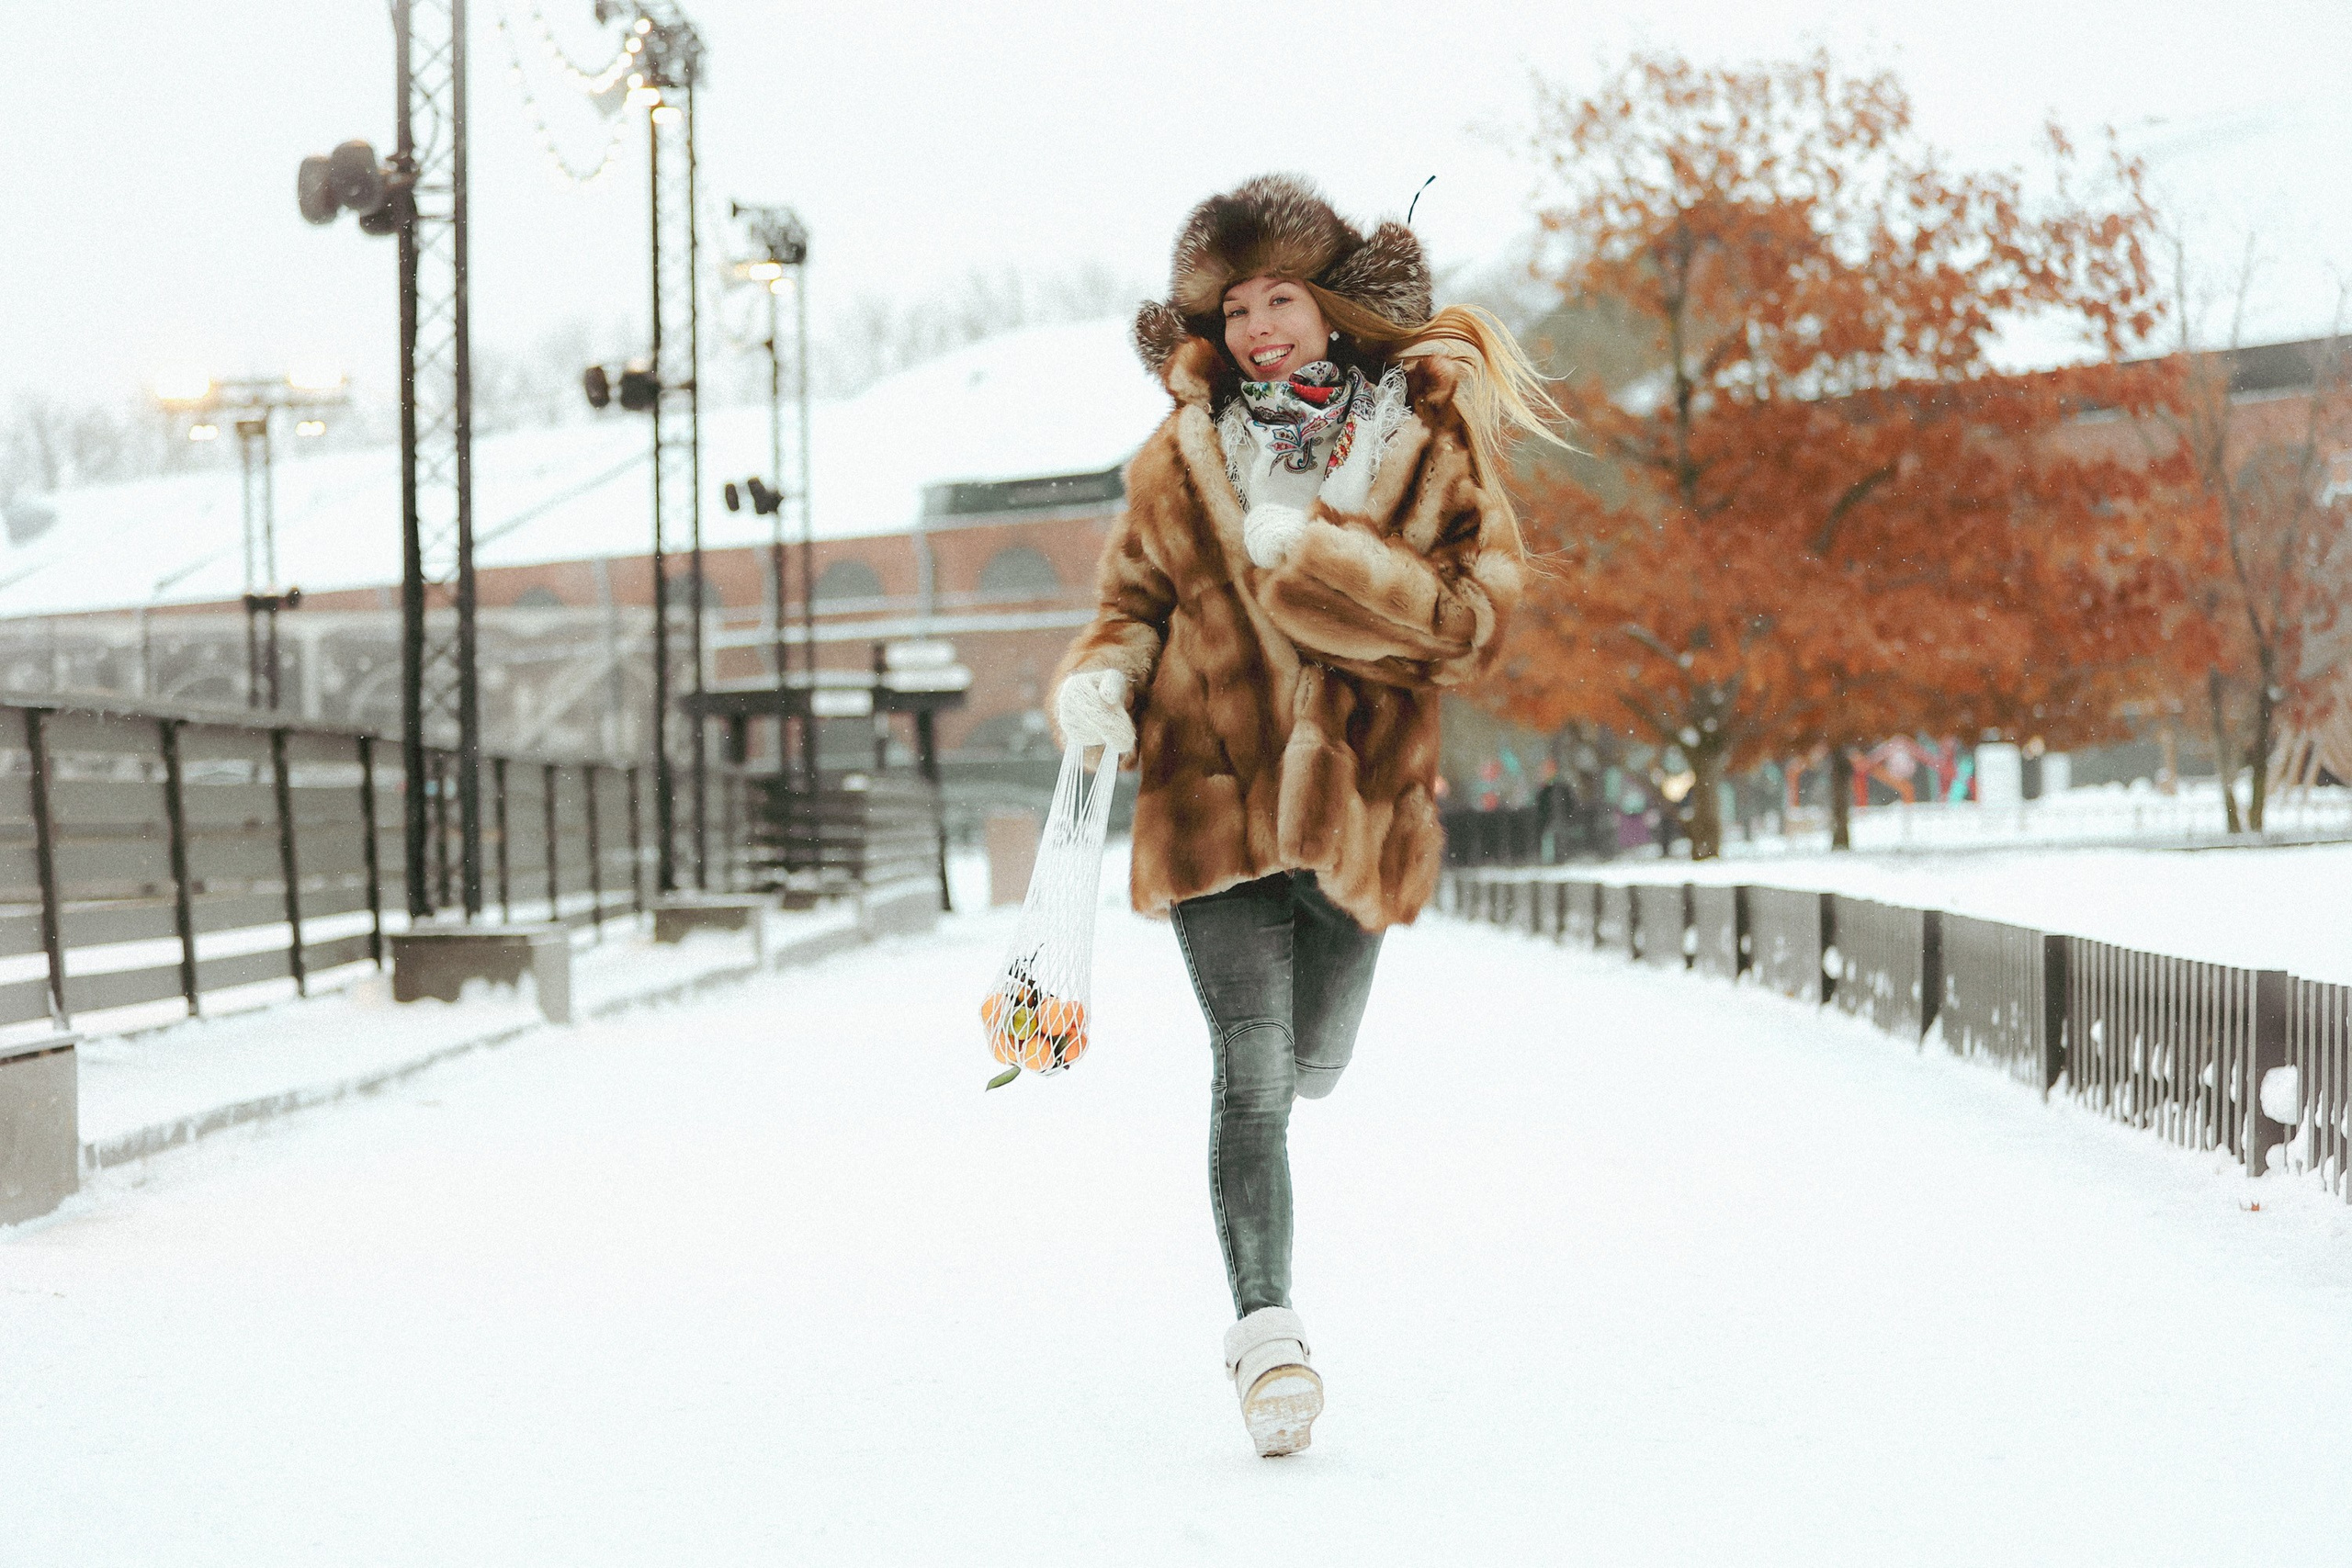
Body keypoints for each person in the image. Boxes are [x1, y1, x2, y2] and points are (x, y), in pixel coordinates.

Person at [1051, 175, 1564, 1457]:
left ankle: (1290, 1140)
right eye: (1234, 307)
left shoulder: (1425, 441)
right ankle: (1268, 1339)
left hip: (1357, 804)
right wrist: (1101, 683)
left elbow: (1475, 614)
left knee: (1314, 1059)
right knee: (1253, 1070)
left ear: (1331, 307)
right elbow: (1132, 606)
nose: (1260, 326)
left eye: (1281, 296)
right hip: (1205, 793)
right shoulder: (1175, 459)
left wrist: (1326, 565)